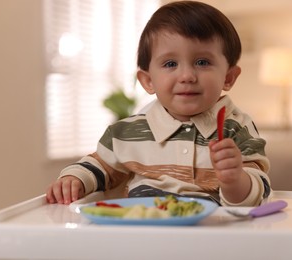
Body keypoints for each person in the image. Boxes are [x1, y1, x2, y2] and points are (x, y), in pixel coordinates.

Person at [46, 1, 270, 207]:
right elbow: (100, 166)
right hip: (142, 234)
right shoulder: (127, 132)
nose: (187, 76)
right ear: (148, 81)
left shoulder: (235, 128)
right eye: (170, 63)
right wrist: (74, 178)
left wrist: (235, 180)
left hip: (212, 237)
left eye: (202, 62)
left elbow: (259, 190)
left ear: (228, 78)